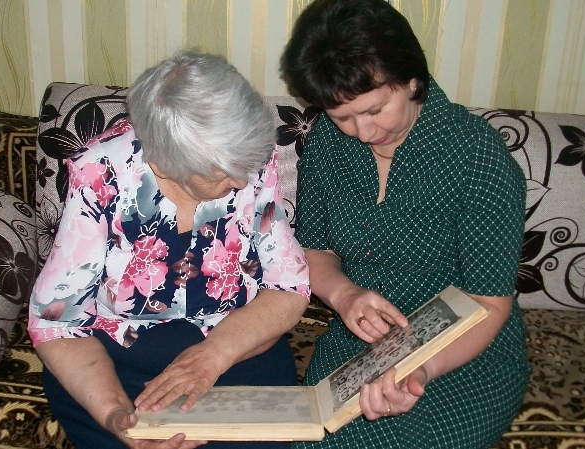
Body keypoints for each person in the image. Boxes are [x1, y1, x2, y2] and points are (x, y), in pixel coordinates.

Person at [28, 51, 311, 449]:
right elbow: (58, 322)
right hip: (119, 360)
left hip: (236, 347)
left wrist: (213, 356)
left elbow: (289, 288)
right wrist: (116, 416)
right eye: (223, 173)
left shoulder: (249, 162)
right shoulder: (101, 172)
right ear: (162, 165)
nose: (241, 181)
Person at [280, 0, 530, 448]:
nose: (362, 131)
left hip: (462, 350)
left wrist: (419, 369)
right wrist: (345, 294)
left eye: (375, 110)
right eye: (342, 116)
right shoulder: (327, 143)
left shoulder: (477, 156)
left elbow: (489, 304)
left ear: (412, 79)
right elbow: (314, 250)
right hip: (361, 342)